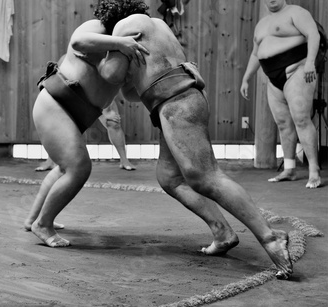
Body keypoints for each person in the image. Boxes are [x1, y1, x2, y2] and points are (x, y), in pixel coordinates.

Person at [96, 13, 292, 279]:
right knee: (169, 177)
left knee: (205, 177)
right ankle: (222, 232)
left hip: (176, 102)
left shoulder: (125, 26)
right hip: (180, 98)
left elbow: (110, 73)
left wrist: (99, 54)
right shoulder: (157, 24)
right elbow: (132, 93)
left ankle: (271, 237)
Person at [25, 0, 149, 247]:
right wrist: (120, 43)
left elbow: (130, 94)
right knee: (78, 167)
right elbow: (77, 43)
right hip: (55, 104)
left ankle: (33, 220)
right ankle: (43, 224)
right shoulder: (97, 28)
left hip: (77, 113)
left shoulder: (125, 53)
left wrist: (150, 85)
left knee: (64, 168)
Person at [240, 0, 321, 189]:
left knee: (301, 119)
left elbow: (313, 34)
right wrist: (246, 78)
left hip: (297, 69)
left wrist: (310, 62)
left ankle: (314, 170)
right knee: (283, 124)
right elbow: (255, 54)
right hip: (272, 77)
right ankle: (290, 169)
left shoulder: (296, 12)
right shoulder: (261, 24)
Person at [35, 92, 136, 172]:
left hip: (101, 93)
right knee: (58, 121)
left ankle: (124, 160)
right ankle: (51, 160)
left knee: (113, 122)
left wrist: (106, 110)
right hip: (75, 91)